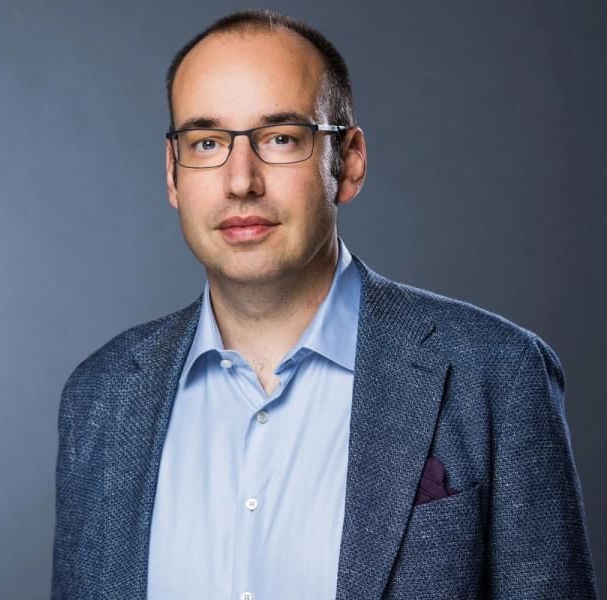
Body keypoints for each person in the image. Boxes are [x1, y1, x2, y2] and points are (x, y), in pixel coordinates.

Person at [50, 9, 597, 600]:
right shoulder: (100, 397)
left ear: (349, 162)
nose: (240, 181)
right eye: (206, 143)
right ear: (173, 173)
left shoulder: (497, 374)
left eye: (280, 138)